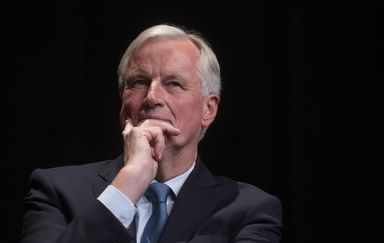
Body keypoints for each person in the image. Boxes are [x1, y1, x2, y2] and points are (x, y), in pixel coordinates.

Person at [21, 23, 283, 243]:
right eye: (139, 82)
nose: (152, 97)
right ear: (123, 104)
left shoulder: (249, 210)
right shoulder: (57, 191)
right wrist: (130, 183)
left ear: (208, 109)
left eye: (174, 84)